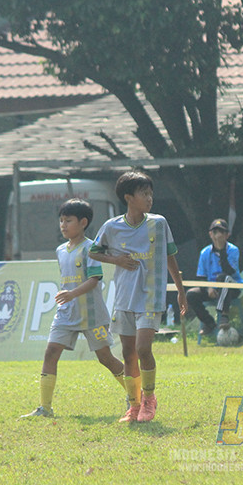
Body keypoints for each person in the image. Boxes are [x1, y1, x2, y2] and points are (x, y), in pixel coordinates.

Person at [90, 171, 187, 423]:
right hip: (124, 298)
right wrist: (116, 259)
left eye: (150, 193)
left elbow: (170, 257)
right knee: (128, 354)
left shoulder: (159, 223)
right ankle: (133, 406)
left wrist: (180, 289)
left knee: (143, 349)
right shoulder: (111, 227)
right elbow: (94, 252)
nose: (150, 198)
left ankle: (149, 399)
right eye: (144, 193)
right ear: (129, 197)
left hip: (150, 296)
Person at [21, 199, 126, 419]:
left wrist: (71, 294)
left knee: (105, 358)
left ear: (83, 222)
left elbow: (95, 279)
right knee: (50, 352)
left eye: (68, 220)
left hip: (92, 314)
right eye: (61, 220)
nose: (63, 225)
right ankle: (45, 408)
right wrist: (67, 296)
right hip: (66, 313)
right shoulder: (60, 250)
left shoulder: (91, 249)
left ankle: (135, 396)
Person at [187, 218, 243, 336]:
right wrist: (208, 288)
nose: (218, 235)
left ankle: (223, 315)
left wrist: (222, 250)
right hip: (212, 288)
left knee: (223, 278)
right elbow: (201, 276)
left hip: (231, 287)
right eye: (215, 232)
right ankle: (209, 323)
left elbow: (229, 271)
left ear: (227, 235)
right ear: (210, 234)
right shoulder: (205, 253)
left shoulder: (233, 250)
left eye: (221, 232)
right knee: (191, 294)